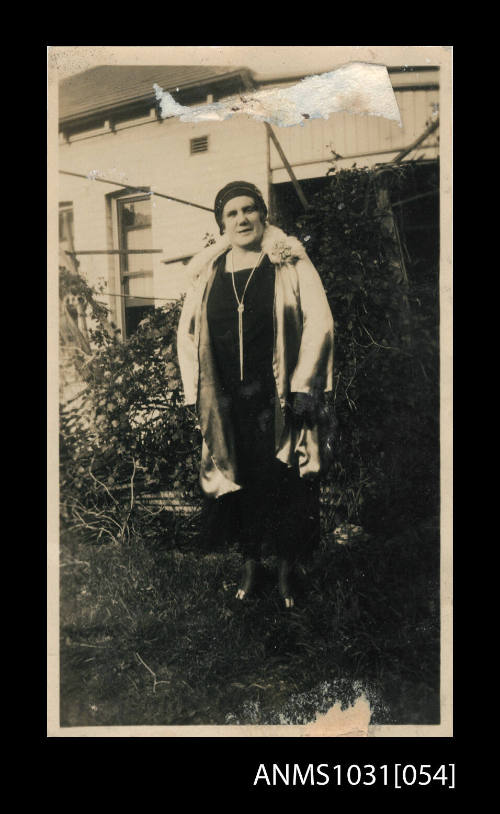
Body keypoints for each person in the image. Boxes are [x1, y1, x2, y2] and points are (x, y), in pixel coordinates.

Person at [177, 181, 334, 607]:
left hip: (278, 395)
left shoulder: (287, 262)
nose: (242, 219)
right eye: (232, 213)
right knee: (238, 478)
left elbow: (319, 321)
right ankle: (250, 563)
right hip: (227, 397)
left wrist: (305, 386)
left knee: (285, 481)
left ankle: (285, 570)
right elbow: (188, 334)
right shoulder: (209, 272)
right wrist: (197, 392)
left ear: (263, 215)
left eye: (250, 210)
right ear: (222, 223)